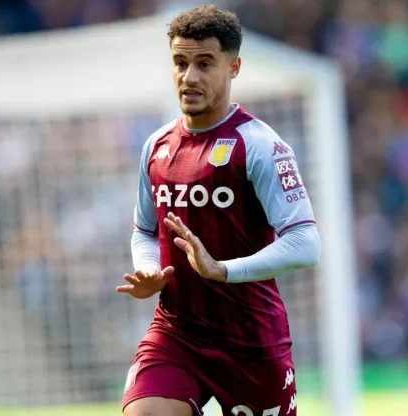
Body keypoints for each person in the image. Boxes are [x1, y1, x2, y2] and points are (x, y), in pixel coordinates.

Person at [116, 5, 321, 416]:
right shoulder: (156, 147)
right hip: (177, 333)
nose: (189, 76)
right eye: (180, 62)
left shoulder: (260, 145)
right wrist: (150, 269)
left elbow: (306, 243)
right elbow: (144, 230)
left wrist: (223, 269)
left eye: (204, 63)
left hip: (251, 342)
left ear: (234, 67)